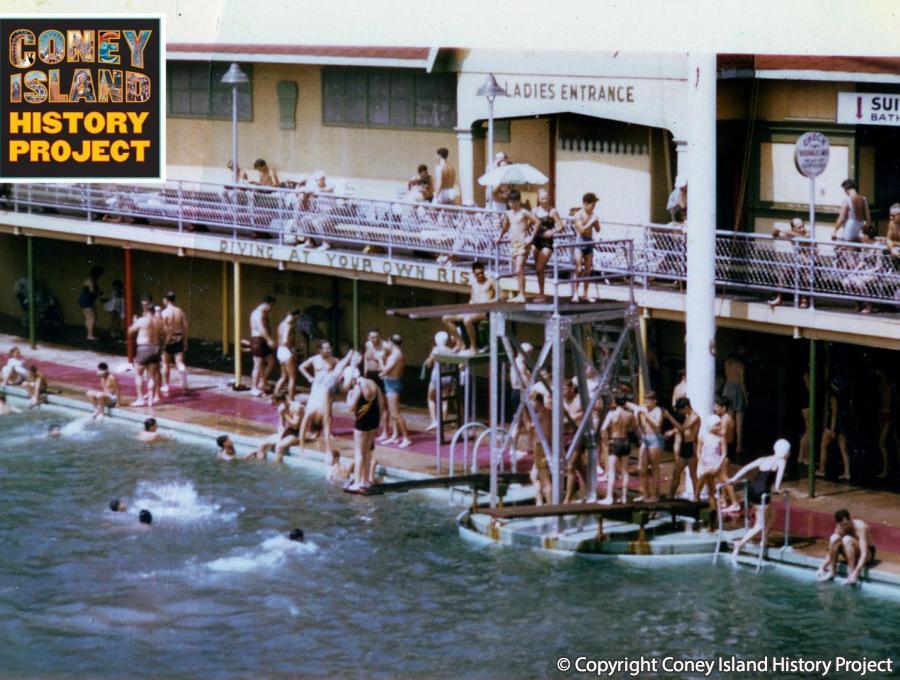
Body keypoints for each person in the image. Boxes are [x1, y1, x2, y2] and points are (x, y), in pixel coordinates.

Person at [728, 439, 790, 560]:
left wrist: (733, 479)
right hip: (762, 492)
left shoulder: (763, 459)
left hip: (751, 490)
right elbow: (777, 484)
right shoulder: (781, 461)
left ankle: (764, 540)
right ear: (786, 451)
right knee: (759, 525)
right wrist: (779, 489)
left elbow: (746, 468)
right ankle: (740, 543)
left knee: (773, 513)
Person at [297, 349, 356, 459]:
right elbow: (323, 434)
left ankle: (352, 357)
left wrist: (302, 450)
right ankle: (351, 356)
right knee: (341, 370)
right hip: (322, 382)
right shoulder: (313, 412)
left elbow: (305, 430)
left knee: (342, 370)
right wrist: (302, 449)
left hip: (324, 383)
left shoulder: (317, 413)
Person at [495, 189, 540, 303]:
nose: (511, 204)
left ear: (518, 201)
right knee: (517, 270)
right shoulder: (508, 213)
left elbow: (537, 222)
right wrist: (499, 237)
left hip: (523, 243)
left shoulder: (524, 212)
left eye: (513, 202)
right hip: (513, 244)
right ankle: (520, 293)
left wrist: (531, 237)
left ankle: (522, 295)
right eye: (509, 202)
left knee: (519, 268)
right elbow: (505, 227)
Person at [441, 261, 497, 353]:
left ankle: (473, 347)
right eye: (478, 274)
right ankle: (460, 343)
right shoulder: (474, 284)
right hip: (474, 310)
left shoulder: (490, 281)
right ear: (474, 274)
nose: (480, 275)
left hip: (485, 312)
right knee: (446, 318)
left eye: (482, 273)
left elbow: (501, 296)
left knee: (467, 320)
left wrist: (488, 302)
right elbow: (472, 299)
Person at [345, 366, 385, 491]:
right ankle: (365, 481)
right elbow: (381, 404)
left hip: (362, 422)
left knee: (359, 453)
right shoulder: (374, 384)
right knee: (367, 452)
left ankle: (357, 483)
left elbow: (351, 407)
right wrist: (378, 422)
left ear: (352, 379)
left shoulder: (357, 388)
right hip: (373, 420)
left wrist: (349, 396)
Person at [817, 509, 876, 586]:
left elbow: (864, 554)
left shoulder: (861, 527)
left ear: (850, 519)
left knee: (846, 539)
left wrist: (856, 572)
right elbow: (832, 549)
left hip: (868, 555)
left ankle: (851, 574)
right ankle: (832, 572)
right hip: (849, 552)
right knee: (834, 538)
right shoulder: (839, 527)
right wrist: (823, 566)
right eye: (842, 525)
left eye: (846, 524)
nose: (845, 527)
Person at [599, 394, 636, 505]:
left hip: (615, 441)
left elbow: (603, 428)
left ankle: (609, 497)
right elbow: (634, 427)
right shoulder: (629, 414)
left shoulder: (611, 414)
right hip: (625, 441)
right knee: (625, 471)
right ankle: (624, 497)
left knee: (612, 471)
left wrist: (606, 441)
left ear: (615, 402)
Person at [531, 188, 565, 303]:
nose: (545, 200)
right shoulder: (535, 210)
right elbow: (528, 223)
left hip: (546, 242)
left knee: (539, 267)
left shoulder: (552, 211)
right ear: (538, 199)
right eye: (542, 198)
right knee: (538, 269)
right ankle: (541, 293)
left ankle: (542, 294)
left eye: (546, 198)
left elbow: (561, 226)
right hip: (536, 240)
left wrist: (552, 232)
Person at [378, 334, 412, 448]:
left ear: (390, 342)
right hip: (390, 383)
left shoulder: (396, 355)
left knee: (395, 413)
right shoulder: (394, 353)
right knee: (392, 413)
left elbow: (385, 370)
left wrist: (380, 359)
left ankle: (406, 438)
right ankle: (395, 435)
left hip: (393, 385)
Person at [128, 298, 162, 407]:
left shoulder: (142, 320)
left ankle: (140, 399)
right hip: (156, 348)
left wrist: (134, 322)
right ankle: (151, 400)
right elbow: (164, 332)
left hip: (144, 348)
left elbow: (130, 332)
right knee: (151, 375)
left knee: (138, 374)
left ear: (147, 310)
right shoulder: (159, 321)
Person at [665, 397, 700, 500]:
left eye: (681, 410)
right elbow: (682, 428)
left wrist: (669, 417)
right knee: (676, 472)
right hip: (684, 447)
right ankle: (671, 495)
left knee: (693, 475)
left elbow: (682, 428)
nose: (680, 412)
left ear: (686, 407)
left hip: (691, 447)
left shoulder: (695, 416)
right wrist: (672, 432)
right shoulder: (687, 416)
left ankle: (696, 497)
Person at [633, 392, 664, 503]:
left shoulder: (657, 410)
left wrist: (645, 414)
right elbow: (638, 424)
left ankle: (655, 495)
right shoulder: (643, 409)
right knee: (642, 469)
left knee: (654, 468)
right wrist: (637, 415)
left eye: (648, 400)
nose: (646, 402)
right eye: (645, 400)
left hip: (655, 439)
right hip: (645, 439)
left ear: (654, 401)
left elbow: (657, 425)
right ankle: (645, 494)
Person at [818, 381, 851, 481]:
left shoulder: (833, 397)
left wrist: (832, 429)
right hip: (842, 425)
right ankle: (847, 473)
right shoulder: (844, 398)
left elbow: (834, 414)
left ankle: (822, 470)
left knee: (823, 446)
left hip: (834, 425)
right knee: (843, 449)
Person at [571, 193, 601, 303]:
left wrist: (596, 222)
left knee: (588, 270)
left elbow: (598, 229)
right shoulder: (578, 215)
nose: (593, 207)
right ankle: (575, 293)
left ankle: (585, 294)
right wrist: (591, 221)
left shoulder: (592, 214)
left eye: (594, 205)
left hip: (589, 242)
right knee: (578, 269)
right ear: (585, 203)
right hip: (580, 242)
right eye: (592, 205)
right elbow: (582, 230)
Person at [713, 395, 741, 512]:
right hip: (726, 448)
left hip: (727, 449)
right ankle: (724, 499)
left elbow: (723, 433)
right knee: (723, 475)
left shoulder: (725, 418)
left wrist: (712, 430)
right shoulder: (725, 417)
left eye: (717, 406)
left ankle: (735, 502)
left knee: (724, 476)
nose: (714, 408)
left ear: (723, 407)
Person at [160, 292, 189, 395]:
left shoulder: (164, 313)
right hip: (178, 337)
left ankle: (165, 385)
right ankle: (184, 385)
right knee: (179, 362)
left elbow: (162, 328)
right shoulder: (180, 311)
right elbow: (185, 327)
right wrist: (185, 341)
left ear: (166, 300)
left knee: (165, 363)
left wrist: (163, 342)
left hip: (167, 339)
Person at [424, 331, 453, 431]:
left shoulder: (435, 350)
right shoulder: (450, 350)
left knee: (431, 398)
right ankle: (442, 422)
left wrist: (427, 361)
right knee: (445, 400)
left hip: (437, 376)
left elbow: (429, 364)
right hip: (448, 376)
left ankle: (434, 421)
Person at [696, 415, 726, 510]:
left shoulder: (721, 438)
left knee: (708, 477)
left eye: (719, 425)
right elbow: (698, 452)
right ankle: (713, 509)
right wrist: (701, 464)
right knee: (711, 489)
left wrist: (718, 466)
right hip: (706, 465)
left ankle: (697, 494)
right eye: (717, 425)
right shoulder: (702, 436)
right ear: (711, 425)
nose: (719, 427)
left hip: (716, 464)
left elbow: (724, 453)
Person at [249, 296, 276, 397]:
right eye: (271, 306)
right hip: (258, 340)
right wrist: (269, 340)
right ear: (268, 304)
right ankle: (254, 388)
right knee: (257, 365)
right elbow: (261, 329)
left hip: (263, 340)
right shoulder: (258, 313)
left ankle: (262, 382)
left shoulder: (262, 313)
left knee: (271, 361)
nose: (271, 309)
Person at [874, 369, 899, 479]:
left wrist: (893, 415)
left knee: (882, 442)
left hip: (889, 414)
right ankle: (887, 469)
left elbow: (894, 400)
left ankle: (886, 470)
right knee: (890, 442)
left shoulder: (890, 385)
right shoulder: (882, 385)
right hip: (883, 414)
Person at [529, 391, 553, 506]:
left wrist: (525, 413)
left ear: (537, 402)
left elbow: (529, 428)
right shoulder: (549, 412)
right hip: (546, 446)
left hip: (541, 447)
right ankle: (539, 502)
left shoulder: (539, 415)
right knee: (534, 475)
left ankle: (550, 505)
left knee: (545, 478)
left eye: (532, 401)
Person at [722, 355, 748, 459]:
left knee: (728, 418)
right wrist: (746, 397)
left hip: (727, 388)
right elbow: (742, 381)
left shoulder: (727, 362)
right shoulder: (741, 365)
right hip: (737, 389)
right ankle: (738, 446)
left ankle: (727, 443)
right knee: (739, 421)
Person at [272, 308, 300, 401]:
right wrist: (293, 353)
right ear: (296, 316)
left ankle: (274, 395)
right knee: (292, 377)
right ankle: (291, 398)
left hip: (280, 350)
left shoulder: (281, 324)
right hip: (287, 351)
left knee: (283, 376)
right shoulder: (289, 325)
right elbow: (285, 341)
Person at [834, 179, 871, 243]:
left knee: (849, 248)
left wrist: (834, 231)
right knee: (859, 248)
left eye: (844, 190)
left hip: (851, 227)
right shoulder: (864, 199)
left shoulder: (847, 200)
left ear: (846, 188)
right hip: (861, 225)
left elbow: (841, 219)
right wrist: (867, 228)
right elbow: (868, 218)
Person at [79, 265, 103, 341]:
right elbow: (92, 291)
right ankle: (89, 335)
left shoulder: (91, 280)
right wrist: (99, 293)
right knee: (91, 318)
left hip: (87, 300)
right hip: (86, 300)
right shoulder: (90, 280)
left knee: (91, 317)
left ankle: (90, 334)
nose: (100, 276)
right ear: (96, 273)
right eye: (99, 274)